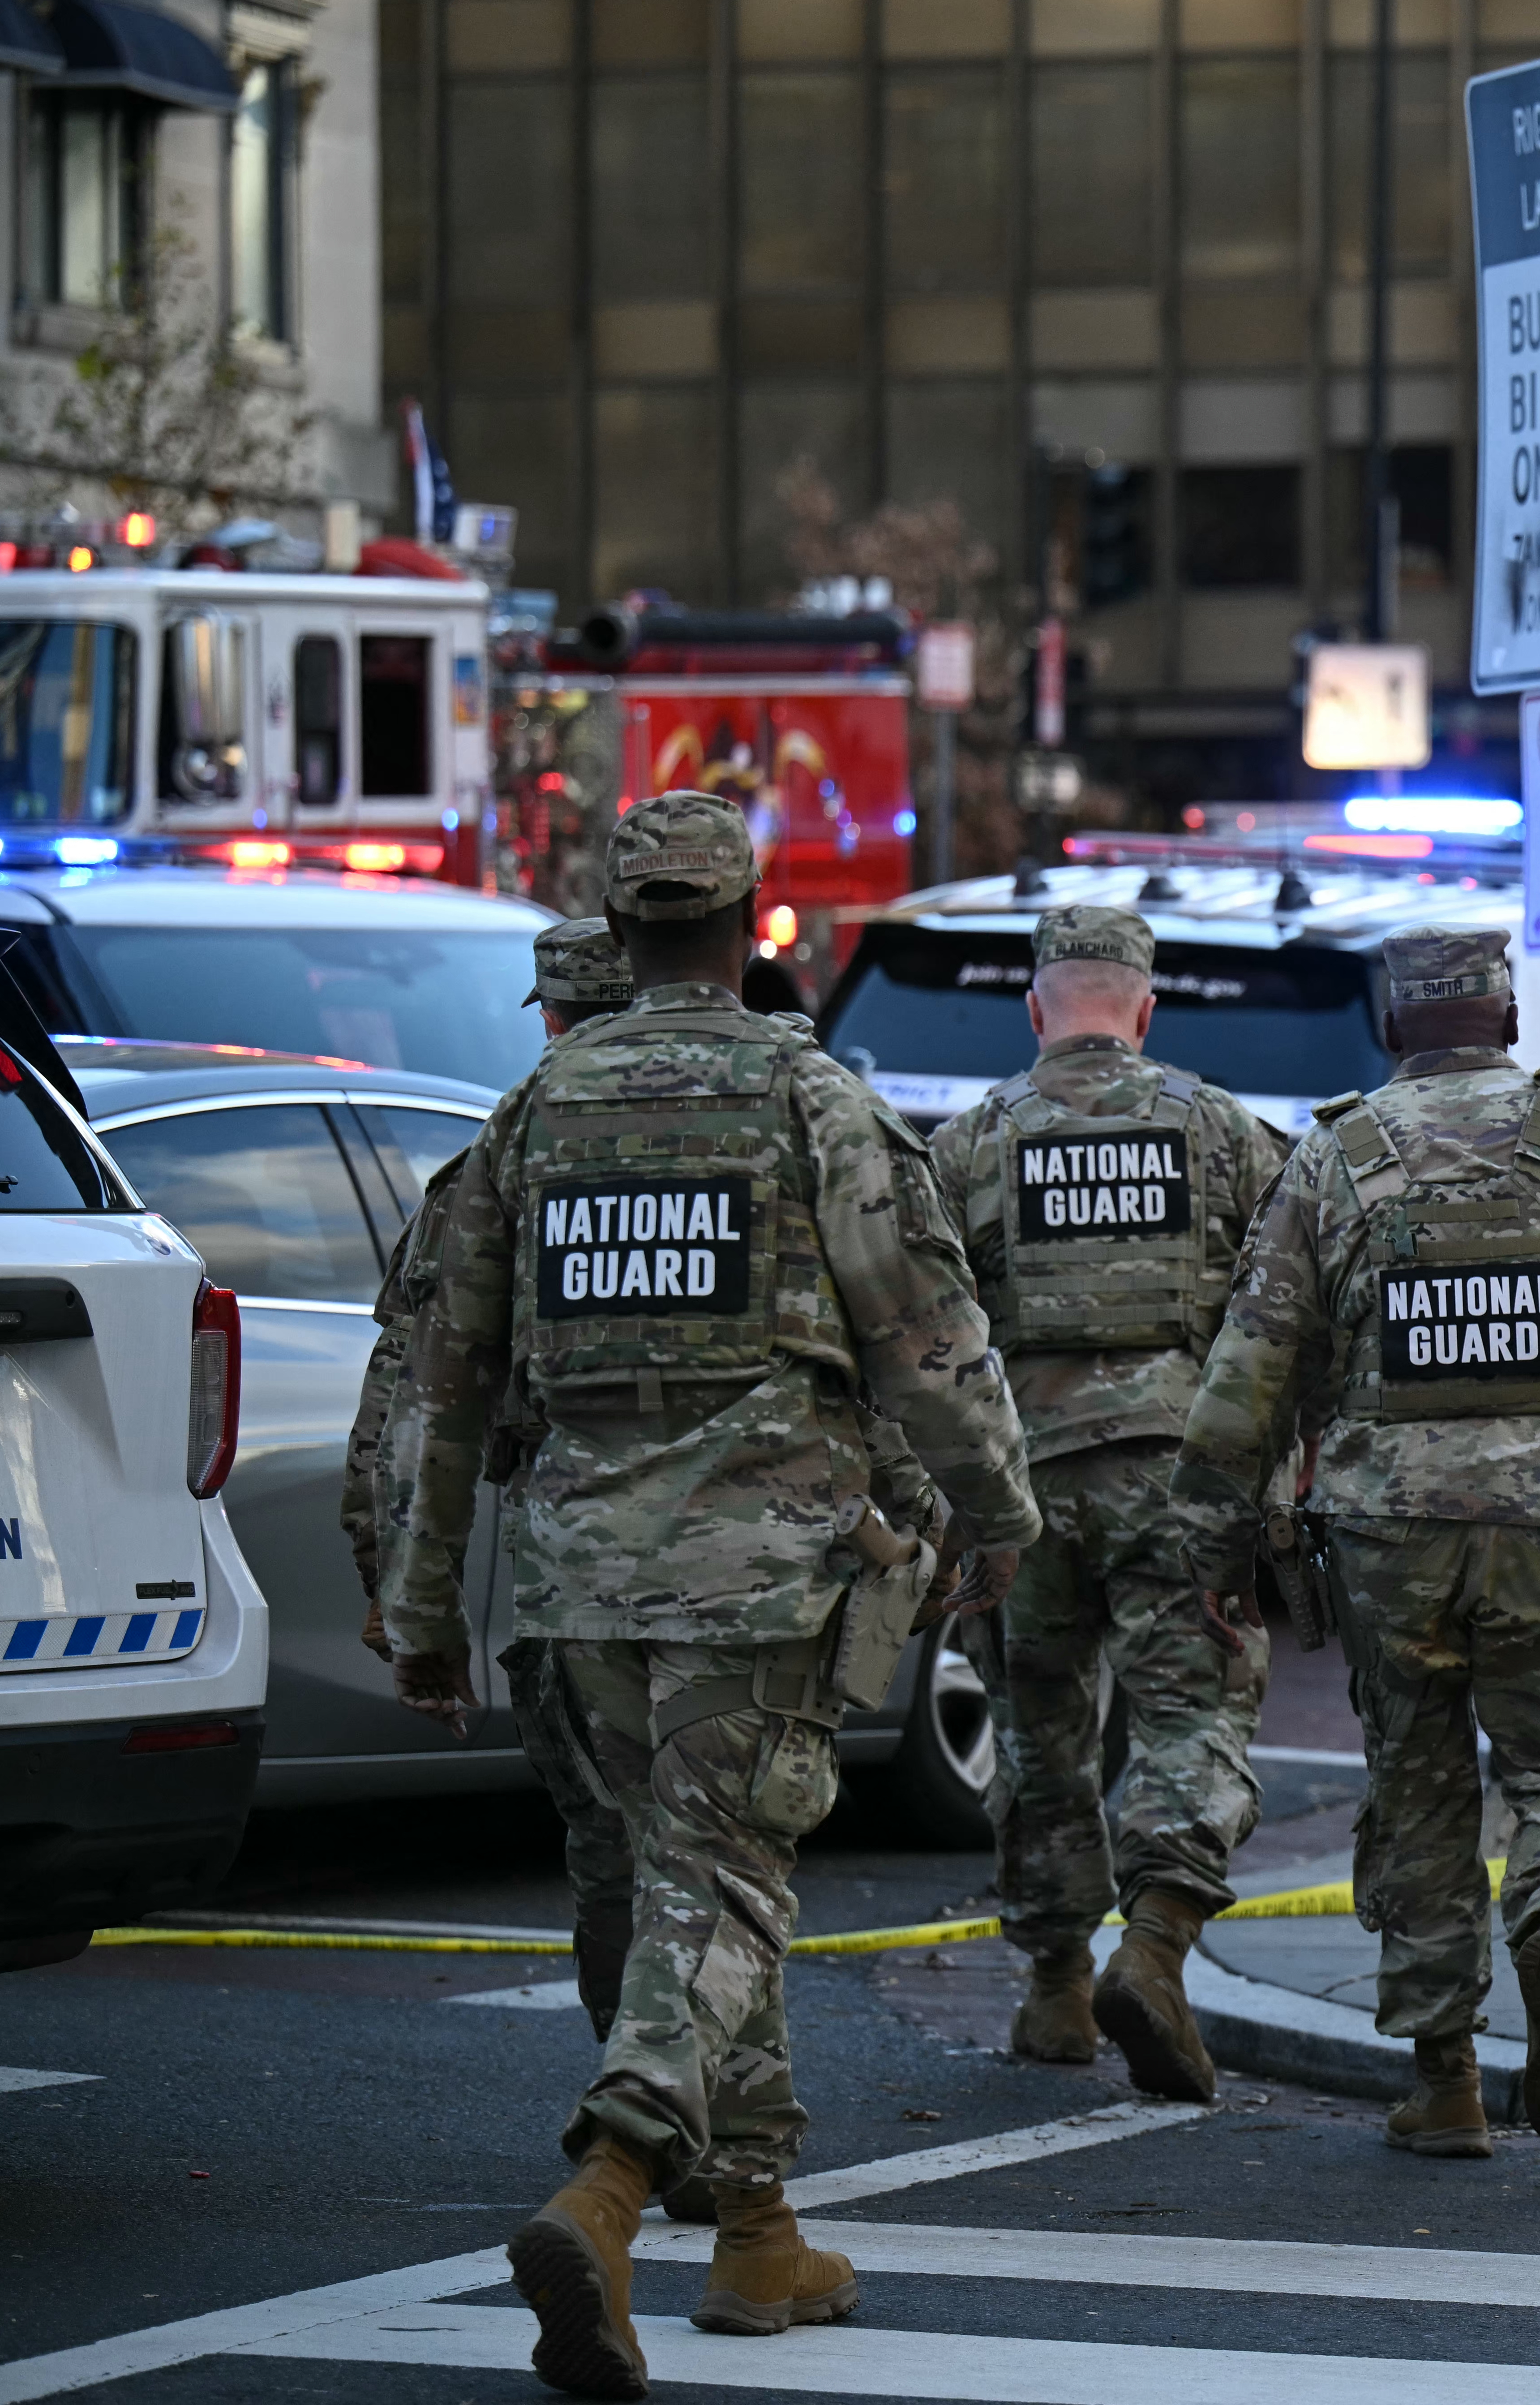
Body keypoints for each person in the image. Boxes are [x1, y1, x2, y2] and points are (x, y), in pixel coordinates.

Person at [378, 792, 1042, 2400]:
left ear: (619, 933)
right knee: (727, 1893)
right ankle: (605, 2193)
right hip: (755, 1573)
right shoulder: (810, 1101)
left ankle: (755, 2228)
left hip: (573, 1582)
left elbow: (443, 1380)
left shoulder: (537, 1112)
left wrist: (419, 1606)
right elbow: (922, 1335)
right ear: (753, 926)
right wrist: (999, 1511)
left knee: (664, 1898)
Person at [1173, 926, 1540, 2158]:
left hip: (1387, 1528)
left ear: (1395, 1029)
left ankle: (1443, 2078)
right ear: (1509, 1018)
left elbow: (1245, 1380)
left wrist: (1213, 1547)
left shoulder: (1336, 1156)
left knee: (1418, 1789)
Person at [927, 903, 1292, 2093]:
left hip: (1023, 1488)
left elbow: (920, 1337)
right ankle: (1157, 1940)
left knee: (1040, 1738)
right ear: (1144, 1012)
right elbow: (1289, 1309)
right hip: (1178, 1481)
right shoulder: (1223, 1134)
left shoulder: (972, 1144)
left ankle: (1054, 1992)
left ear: (1035, 1011)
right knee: (1193, 1719)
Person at [347, 918, 639, 2041]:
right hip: (755, 1562)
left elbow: (412, 1399)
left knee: (611, 1847)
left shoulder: (497, 1165)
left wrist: (400, 1588)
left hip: (570, 1567)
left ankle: (637, 2094)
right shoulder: (775, 1135)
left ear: (553, 1020)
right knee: (724, 1851)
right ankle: (702, 2109)